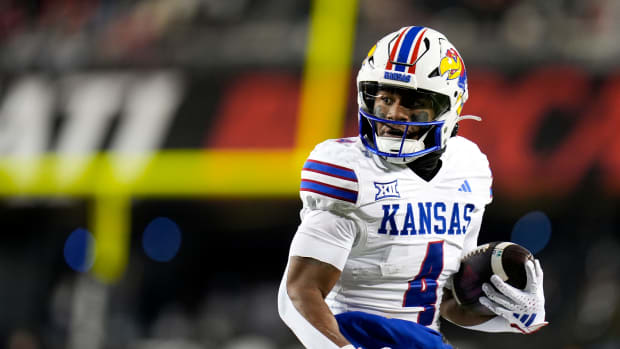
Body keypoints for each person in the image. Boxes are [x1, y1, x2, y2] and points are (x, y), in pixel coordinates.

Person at [277, 26, 547, 349]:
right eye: (386, 98)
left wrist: (516, 316)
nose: (394, 113)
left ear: (450, 106)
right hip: (357, 336)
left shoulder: (469, 168)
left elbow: (448, 299)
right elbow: (296, 294)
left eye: (414, 101)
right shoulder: (348, 172)